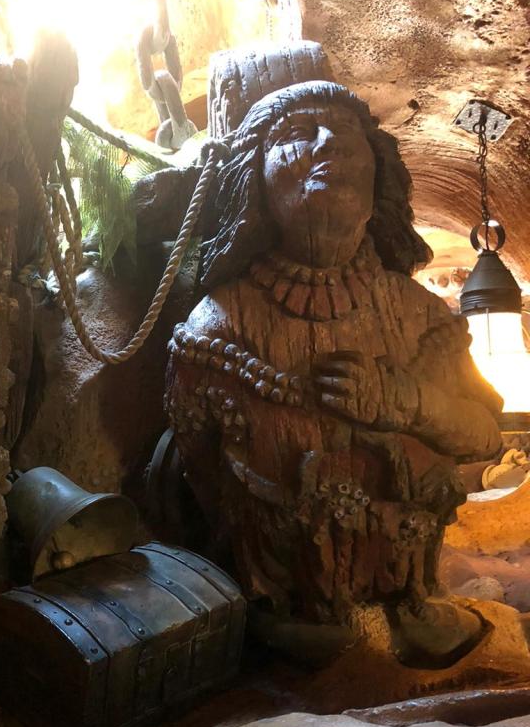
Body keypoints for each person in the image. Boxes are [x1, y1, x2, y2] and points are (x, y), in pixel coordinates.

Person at [165, 80, 503, 666]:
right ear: (255, 181)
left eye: (346, 134)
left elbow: (486, 437)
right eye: (296, 134)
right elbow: (202, 482)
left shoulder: (421, 314)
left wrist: (407, 403)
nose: (327, 143)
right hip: (287, 620)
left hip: (418, 608)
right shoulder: (218, 324)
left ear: (377, 176)